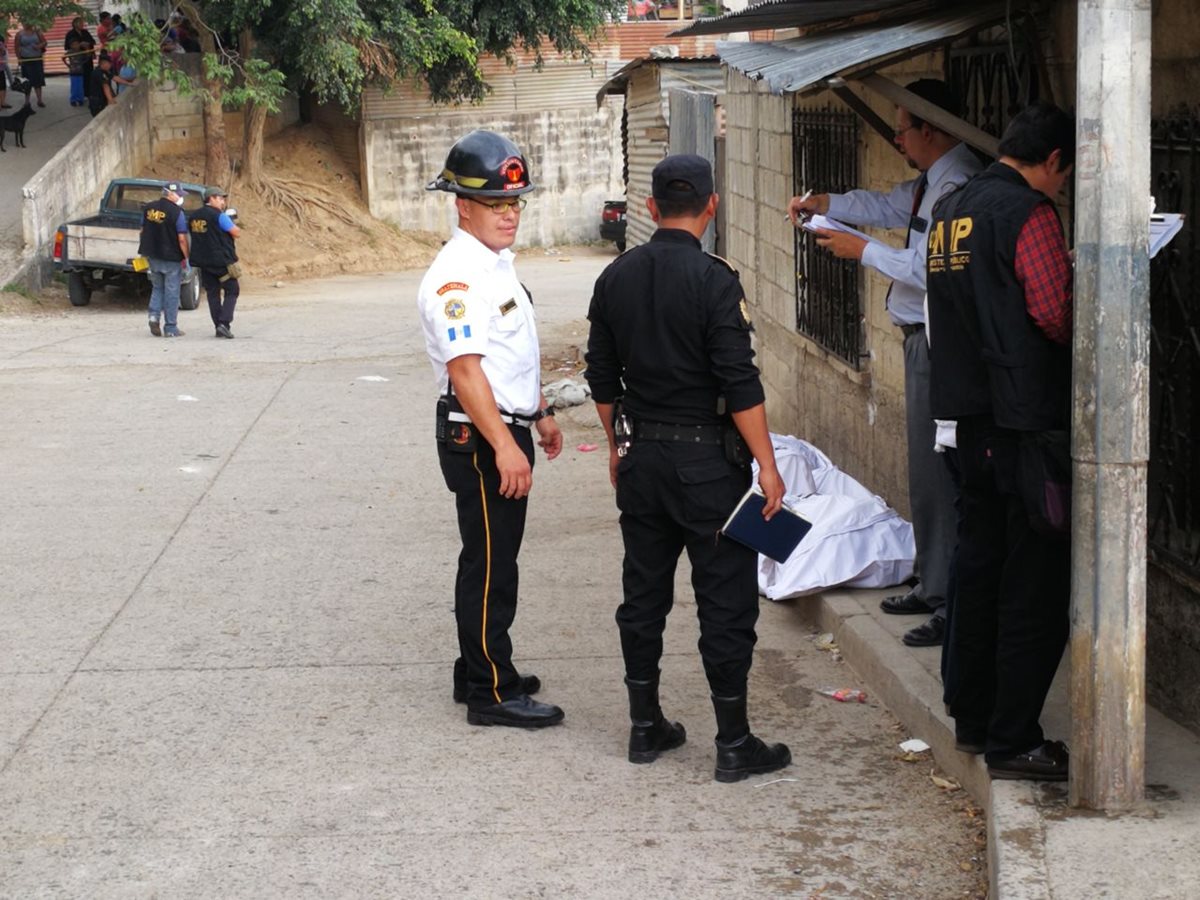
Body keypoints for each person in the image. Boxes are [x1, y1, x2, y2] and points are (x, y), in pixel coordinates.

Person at [585, 154, 792, 783]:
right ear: (711, 205)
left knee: (642, 595)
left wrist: (617, 447)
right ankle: (733, 743)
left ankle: (645, 728)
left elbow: (600, 377)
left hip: (644, 459)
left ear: (649, 209)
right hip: (710, 468)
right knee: (724, 601)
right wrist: (768, 466)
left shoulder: (615, 278)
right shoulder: (715, 279)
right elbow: (741, 380)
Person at [788, 79, 981, 649]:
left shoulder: (958, 186)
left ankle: (945, 592)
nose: (896, 137)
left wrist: (862, 250)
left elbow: (928, 271)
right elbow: (887, 204)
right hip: (920, 337)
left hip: (940, 340)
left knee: (938, 472)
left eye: (904, 127)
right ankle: (932, 578)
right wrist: (829, 206)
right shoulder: (930, 182)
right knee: (922, 470)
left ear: (933, 128)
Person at [925, 103, 1075, 781]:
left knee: (977, 570)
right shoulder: (1028, 214)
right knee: (1033, 582)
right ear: (1053, 162)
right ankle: (1015, 739)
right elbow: (1052, 310)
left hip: (966, 420)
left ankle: (976, 719)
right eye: (1063, 175)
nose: (1061, 187)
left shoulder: (951, 209)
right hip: (1021, 426)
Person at [416, 130, 565, 729]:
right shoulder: (456, 278)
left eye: (515, 203)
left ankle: (479, 664)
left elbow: (511, 357)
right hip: (480, 438)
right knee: (490, 563)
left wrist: (540, 412)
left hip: (505, 426)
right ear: (462, 206)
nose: (510, 215)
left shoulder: (494, 266)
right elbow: (467, 370)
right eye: (497, 205)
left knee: (494, 556)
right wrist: (505, 445)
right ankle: (490, 691)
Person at [138, 182, 190, 338]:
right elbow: (182, 238)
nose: (181, 197)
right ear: (170, 194)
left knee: (157, 287)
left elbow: (142, 230)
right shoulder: (177, 213)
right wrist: (186, 257)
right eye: (179, 194)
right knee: (172, 291)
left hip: (153, 255)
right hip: (171, 257)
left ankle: (153, 317)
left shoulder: (148, 208)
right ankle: (171, 327)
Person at [188, 187, 241, 338]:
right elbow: (235, 232)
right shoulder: (220, 216)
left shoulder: (194, 217)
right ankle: (224, 323)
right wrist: (233, 223)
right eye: (220, 198)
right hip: (221, 261)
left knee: (213, 293)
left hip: (203, 261)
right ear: (211, 198)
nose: (223, 201)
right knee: (232, 289)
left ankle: (218, 325)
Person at [64, 17, 96, 108]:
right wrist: (79, 45)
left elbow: (92, 42)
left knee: (89, 75)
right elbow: (67, 47)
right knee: (77, 80)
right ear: (75, 24)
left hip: (86, 56)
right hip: (77, 59)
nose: (82, 25)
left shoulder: (85, 32)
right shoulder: (70, 34)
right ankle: (76, 97)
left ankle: (88, 94)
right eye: (80, 23)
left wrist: (91, 50)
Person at [14, 23, 47, 108]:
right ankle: (27, 101)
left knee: (38, 80)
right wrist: (19, 58)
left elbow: (45, 42)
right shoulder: (19, 34)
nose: (26, 24)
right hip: (26, 59)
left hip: (37, 59)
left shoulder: (37, 32)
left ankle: (39, 100)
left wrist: (39, 46)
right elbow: (16, 47)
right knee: (27, 81)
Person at [88, 53, 116, 117]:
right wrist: (110, 99)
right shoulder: (99, 73)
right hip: (97, 100)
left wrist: (128, 83)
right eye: (110, 64)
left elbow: (114, 77)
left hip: (102, 99)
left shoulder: (105, 71)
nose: (111, 65)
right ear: (104, 63)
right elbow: (105, 86)